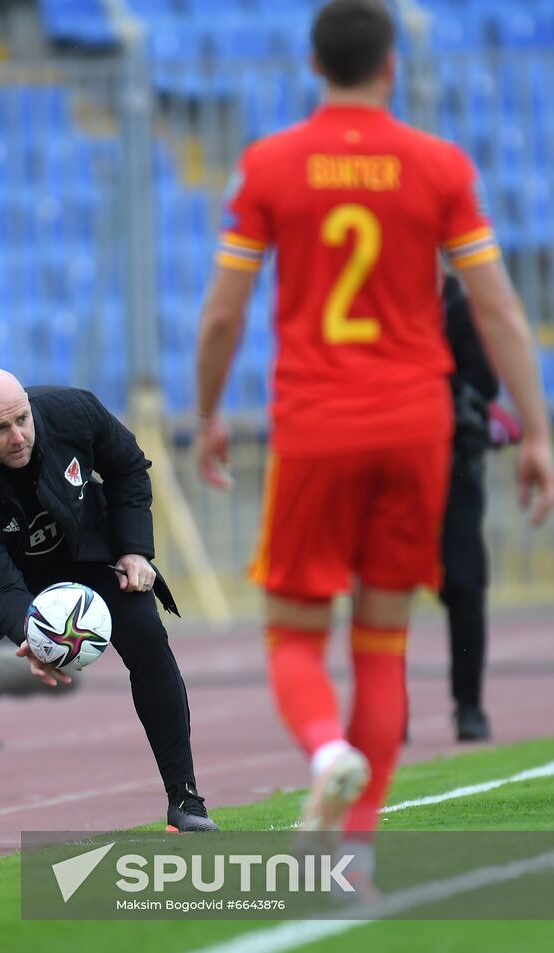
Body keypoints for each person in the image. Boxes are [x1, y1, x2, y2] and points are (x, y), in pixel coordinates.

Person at [194, 0, 554, 855]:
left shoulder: (270, 165)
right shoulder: (437, 166)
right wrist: (536, 431)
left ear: (313, 67)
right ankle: (350, 847)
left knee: (292, 634)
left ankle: (325, 750)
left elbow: (221, 317)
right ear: (390, 67)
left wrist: (207, 413)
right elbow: (498, 306)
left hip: (317, 425)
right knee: (383, 644)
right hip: (415, 427)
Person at [0, 369, 218, 850]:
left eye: (23, 420)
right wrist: (29, 635)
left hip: (86, 548)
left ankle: (186, 799)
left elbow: (128, 468)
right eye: (0, 429)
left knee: (147, 637)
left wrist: (136, 551)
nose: (18, 437)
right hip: (2, 571)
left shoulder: (73, 409)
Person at [439, 274, 519, 742]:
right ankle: (390, 705)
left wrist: (441, 392)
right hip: (400, 466)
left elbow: (487, 382)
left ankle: (468, 704)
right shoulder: (383, 305)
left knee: (466, 585)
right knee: (385, 587)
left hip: (454, 466)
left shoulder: (457, 307)